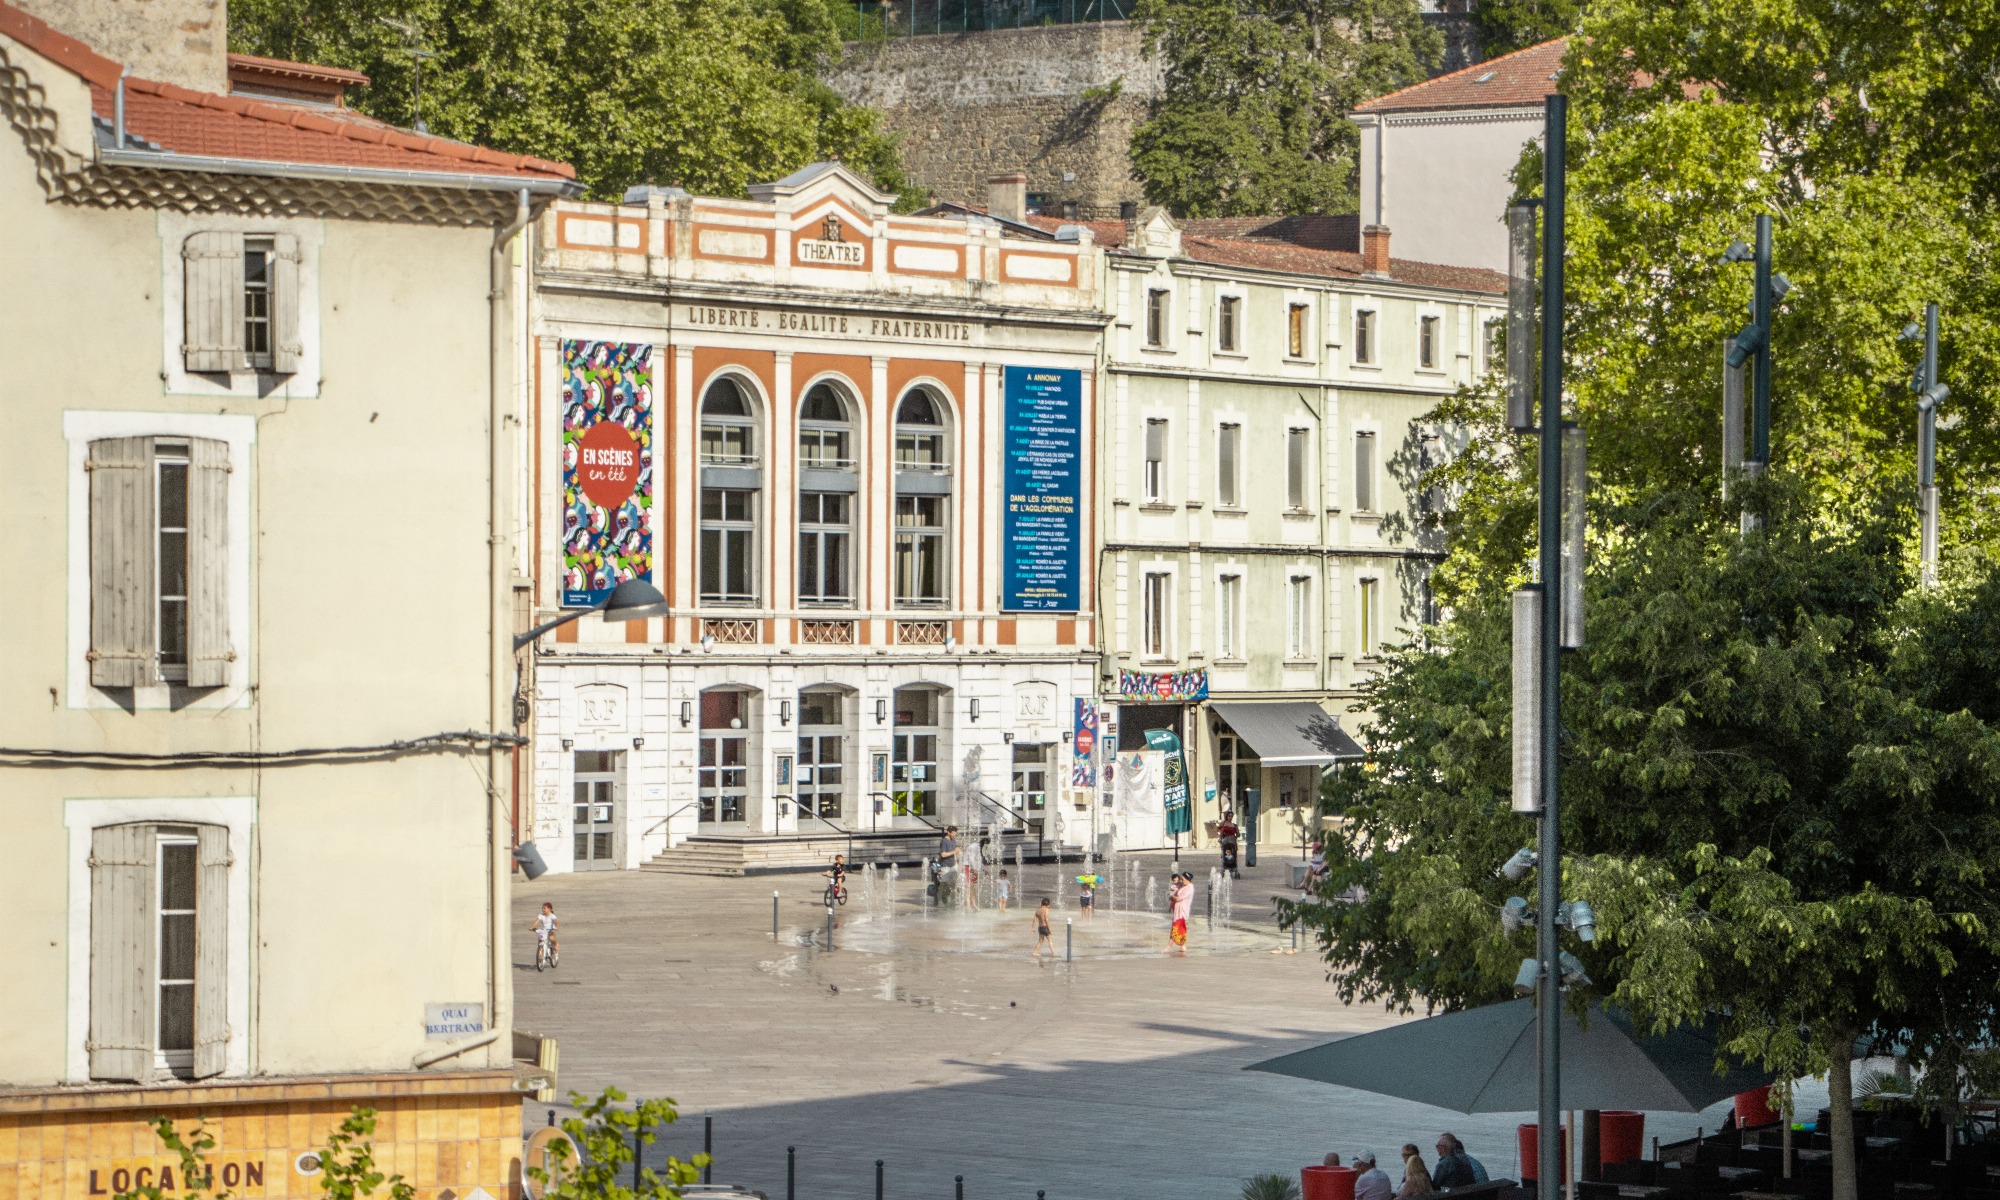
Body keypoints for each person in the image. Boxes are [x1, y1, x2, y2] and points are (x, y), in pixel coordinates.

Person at [1168, 872, 1193, 953]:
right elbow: (1173, 887)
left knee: (1176, 928)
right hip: (1178, 910)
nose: (1181, 881)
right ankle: (1183, 946)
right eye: (1181, 879)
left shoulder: (1189, 888)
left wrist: (1171, 897)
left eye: (1183, 879)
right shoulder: (1183, 885)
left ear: (1188, 880)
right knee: (1181, 929)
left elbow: (1179, 898)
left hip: (1182, 912)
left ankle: (1168, 946)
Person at [1218, 810, 1240, 876]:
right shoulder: (1223, 824)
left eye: (1231, 816)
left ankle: (1233, 866)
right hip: (1225, 841)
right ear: (1226, 816)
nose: (1230, 817)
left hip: (1232, 841)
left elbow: (1238, 834)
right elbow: (1220, 833)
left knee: (1233, 854)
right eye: (1229, 816)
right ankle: (1225, 865)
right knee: (1225, 853)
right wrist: (1220, 840)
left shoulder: (1234, 825)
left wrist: (1237, 831)